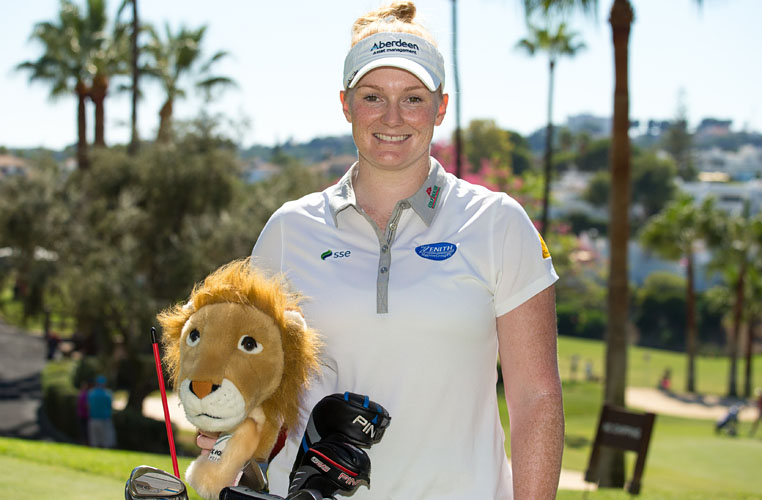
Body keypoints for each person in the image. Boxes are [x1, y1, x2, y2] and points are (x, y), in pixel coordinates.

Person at [199, 2, 563, 498]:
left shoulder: (498, 224)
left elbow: (536, 398)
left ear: (441, 106)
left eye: (413, 98)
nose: (393, 117)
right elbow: (253, 378)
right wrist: (227, 423)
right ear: (346, 104)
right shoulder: (290, 230)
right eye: (373, 96)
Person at [87, 375, 116, 448]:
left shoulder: (91, 393)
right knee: (106, 442)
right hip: (105, 419)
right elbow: (110, 406)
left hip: (93, 419)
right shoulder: (108, 393)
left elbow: (88, 406)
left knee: (94, 442)